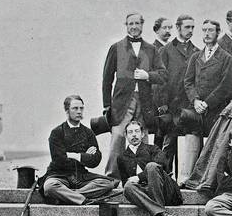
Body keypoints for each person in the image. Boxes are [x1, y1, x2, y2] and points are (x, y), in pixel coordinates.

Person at [101, 12, 168, 179]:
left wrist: (148, 76)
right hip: (122, 102)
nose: (134, 27)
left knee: (143, 139)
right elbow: (107, 79)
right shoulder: (116, 47)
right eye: (131, 23)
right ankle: (112, 179)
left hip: (145, 102)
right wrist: (106, 106)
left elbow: (163, 75)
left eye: (137, 23)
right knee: (117, 137)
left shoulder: (151, 49)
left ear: (142, 25)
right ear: (126, 25)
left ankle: (144, 178)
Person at [41, 95, 122, 205]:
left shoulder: (88, 132)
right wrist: (85, 156)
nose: (79, 111)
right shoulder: (57, 132)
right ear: (66, 110)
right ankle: (82, 199)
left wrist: (75, 156)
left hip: (81, 176)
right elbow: (59, 160)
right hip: (59, 175)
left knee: (107, 183)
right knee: (49, 186)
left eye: (81, 108)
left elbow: (95, 160)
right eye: (75, 108)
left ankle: (67, 196)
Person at [118, 120, 181, 216]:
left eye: (137, 131)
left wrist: (139, 177)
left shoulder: (153, 149)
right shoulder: (121, 158)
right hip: (146, 193)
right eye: (130, 132)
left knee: (151, 166)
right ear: (125, 135)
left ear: (142, 134)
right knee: (128, 187)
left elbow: (162, 165)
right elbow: (126, 181)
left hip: (164, 189)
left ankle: (157, 210)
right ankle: (160, 214)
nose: (134, 135)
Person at [183, 19, 232, 137]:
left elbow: (226, 85)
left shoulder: (226, 58)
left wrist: (207, 103)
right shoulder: (195, 57)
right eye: (204, 30)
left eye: (210, 30)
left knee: (211, 147)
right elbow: (188, 82)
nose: (206, 34)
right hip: (195, 110)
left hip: (216, 111)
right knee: (192, 148)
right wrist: (195, 101)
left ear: (218, 32)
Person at [159, 14, 199, 164]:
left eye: (192, 27)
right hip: (171, 105)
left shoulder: (197, 51)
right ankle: (165, 177)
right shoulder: (166, 50)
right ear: (178, 28)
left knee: (190, 144)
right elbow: (160, 79)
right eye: (187, 27)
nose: (190, 30)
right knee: (169, 144)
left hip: (189, 105)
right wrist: (162, 103)